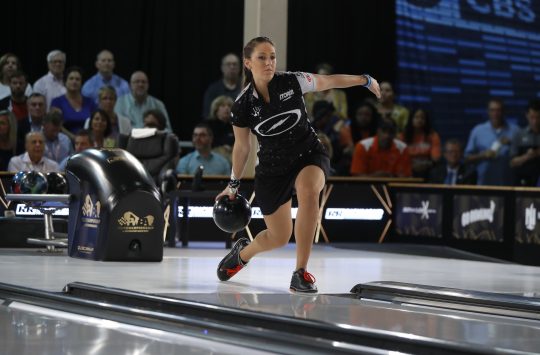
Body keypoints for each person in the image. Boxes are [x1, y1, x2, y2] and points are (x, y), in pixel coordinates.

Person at [215, 37, 380, 293]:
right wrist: (233, 184)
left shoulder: (293, 81)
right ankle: (243, 253)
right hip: (272, 169)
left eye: (272, 56)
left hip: (308, 153)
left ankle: (300, 273)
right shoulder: (242, 106)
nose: (269, 62)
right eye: (262, 57)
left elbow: (329, 81)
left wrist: (364, 79)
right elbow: (242, 146)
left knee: (309, 190)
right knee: (278, 237)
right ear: (248, 63)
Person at [464, 99, 520, 186]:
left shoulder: (515, 131)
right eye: (492, 110)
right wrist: (483, 155)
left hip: (508, 184)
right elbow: (467, 158)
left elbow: (521, 157)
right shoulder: (478, 131)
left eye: (498, 110)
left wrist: (512, 143)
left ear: (504, 111)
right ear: (488, 112)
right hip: (484, 184)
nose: (495, 114)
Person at [50, 66, 97, 136]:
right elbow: (58, 126)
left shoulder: (90, 102)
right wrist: (74, 138)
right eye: (71, 79)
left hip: (88, 140)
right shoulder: (57, 102)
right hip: (65, 140)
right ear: (65, 81)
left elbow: (95, 124)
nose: (74, 82)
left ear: (81, 82)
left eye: (77, 79)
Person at [398, 108, 441, 178]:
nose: (419, 120)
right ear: (411, 119)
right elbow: (398, 158)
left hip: (427, 169)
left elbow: (435, 159)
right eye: (416, 117)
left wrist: (424, 165)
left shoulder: (433, 136)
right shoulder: (402, 136)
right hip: (407, 168)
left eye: (422, 118)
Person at [510, 99, 540, 186]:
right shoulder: (519, 135)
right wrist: (527, 156)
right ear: (527, 115)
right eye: (532, 117)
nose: (535, 121)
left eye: (538, 117)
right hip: (524, 183)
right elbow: (512, 163)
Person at [202, 53, 242, 118]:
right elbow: (207, 114)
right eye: (228, 64)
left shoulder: (247, 87)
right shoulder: (213, 89)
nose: (232, 67)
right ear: (222, 68)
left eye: (235, 64)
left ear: (240, 68)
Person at [204, 95, 235, 162]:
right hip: (212, 155)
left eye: (229, 106)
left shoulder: (234, 126)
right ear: (216, 109)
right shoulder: (208, 125)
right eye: (223, 106)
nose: (227, 108)